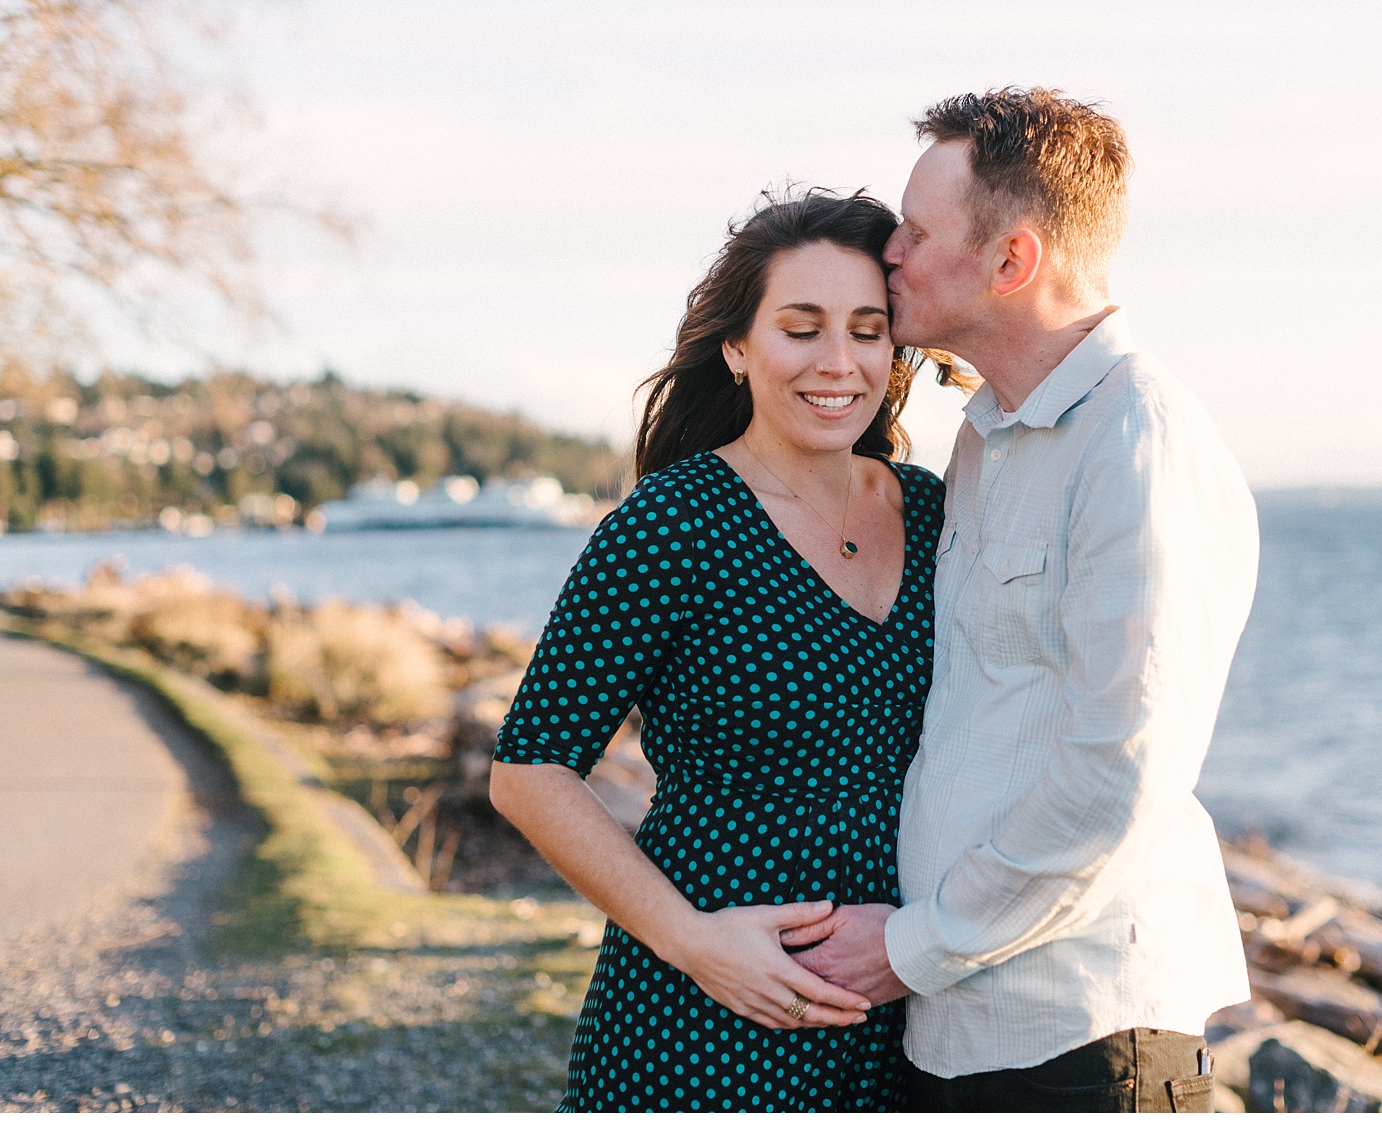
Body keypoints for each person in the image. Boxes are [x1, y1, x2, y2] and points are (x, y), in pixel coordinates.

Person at [783, 88, 1260, 1111]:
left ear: (1013, 262)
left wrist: (908, 945)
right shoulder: (986, 434)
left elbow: (1116, 771)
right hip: (956, 1023)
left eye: (916, 231)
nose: (890, 252)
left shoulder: (1137, 441)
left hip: (1078, 1037)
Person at [488, 189, 947, 1111]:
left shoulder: (937, 510)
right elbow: (531, 768)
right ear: (738, 348)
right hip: (708, 1012)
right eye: (801, 328)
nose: (838, 363)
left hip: (905, 1007)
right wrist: (691, 941)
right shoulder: (674, 522)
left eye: (867, 330)